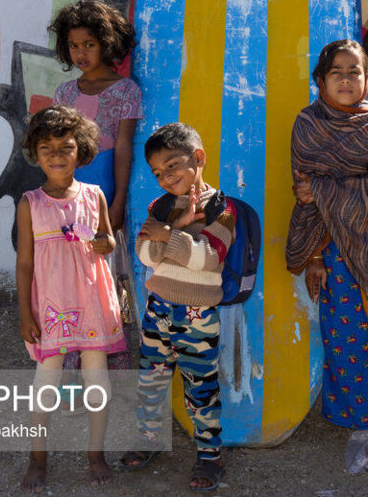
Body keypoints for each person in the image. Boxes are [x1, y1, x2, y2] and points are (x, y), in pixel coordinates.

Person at [285, 39, 368, 474]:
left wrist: (321, 190)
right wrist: (316, 258)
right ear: (319, 81)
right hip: (336, 258)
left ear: (367, 78)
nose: (346, 79)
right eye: (337, 72)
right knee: (347, 343)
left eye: (355, 71)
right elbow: (304, 197)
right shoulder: (307, 125)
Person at [15, 105, 125, 492]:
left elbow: (109, 240)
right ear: (35, 152)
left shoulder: (94, 197)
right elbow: (25, 262)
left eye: (66, 147)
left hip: (91, 299)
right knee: (46, 378)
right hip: (50, 306)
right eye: (47, 147)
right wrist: (24, 312)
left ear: (82, 150)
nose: (57, 155)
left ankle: (96, 453)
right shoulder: (30, 203)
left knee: (97, 377)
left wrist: (103, 241)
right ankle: (37, 458)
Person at [125, 122, 235, 492]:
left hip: (198, 318)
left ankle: (209, 455)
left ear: (198, 158)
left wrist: (169, 235)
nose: (165, 177)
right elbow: (145, 253)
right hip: (158, 310)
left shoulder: (222, 208)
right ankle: (149, 439)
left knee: (200, 388)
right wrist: (174, 231)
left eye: (172, 166)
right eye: (158, 172)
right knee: (150, 380)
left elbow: (208, 260)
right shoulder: (160, 206)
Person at [49, 0, 142, 372]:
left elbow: (122, 148)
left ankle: (110, 356)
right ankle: (74, 356)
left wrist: (117, 200)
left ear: (106, 42)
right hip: (69, 197)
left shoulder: (125, 91)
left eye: (89, 44)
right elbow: (57, 151)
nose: (81, 53)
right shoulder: (65, 94)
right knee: (72, 276)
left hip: (104, 193)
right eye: (73, 46)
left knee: (109, 276)